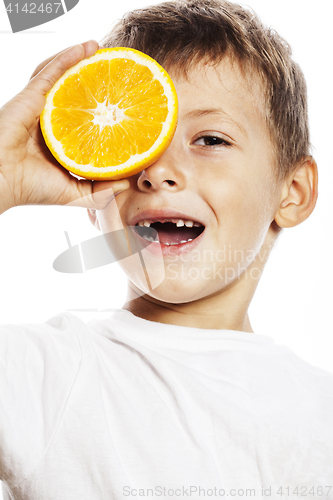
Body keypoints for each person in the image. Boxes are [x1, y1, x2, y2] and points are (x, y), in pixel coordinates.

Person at [0, 0, 332, 499]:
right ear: (93, 192)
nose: (155, 171)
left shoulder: (320, 412)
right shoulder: (44, 374)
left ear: (293, 191)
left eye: (210, 139)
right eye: (136, 145)